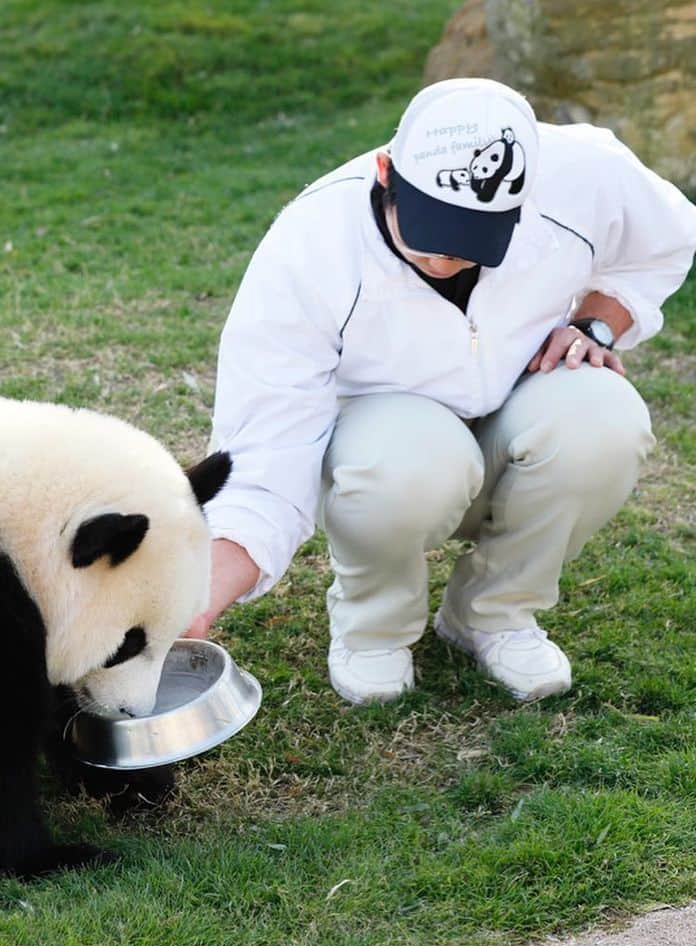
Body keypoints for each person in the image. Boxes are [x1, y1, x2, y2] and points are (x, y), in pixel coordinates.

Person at [186, 78, 696, 705]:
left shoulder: (584, 171)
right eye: (428, 231)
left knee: (605, 420)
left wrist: (595, 322)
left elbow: (665, 240)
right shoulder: (310, 246)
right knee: (407, 463)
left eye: (472, 240)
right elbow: (264, 450)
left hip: (518, 396)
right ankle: (373, 629)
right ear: (385, 173)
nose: (444, 259)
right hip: (384, 442)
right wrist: (198, 601)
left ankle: (493, 613)